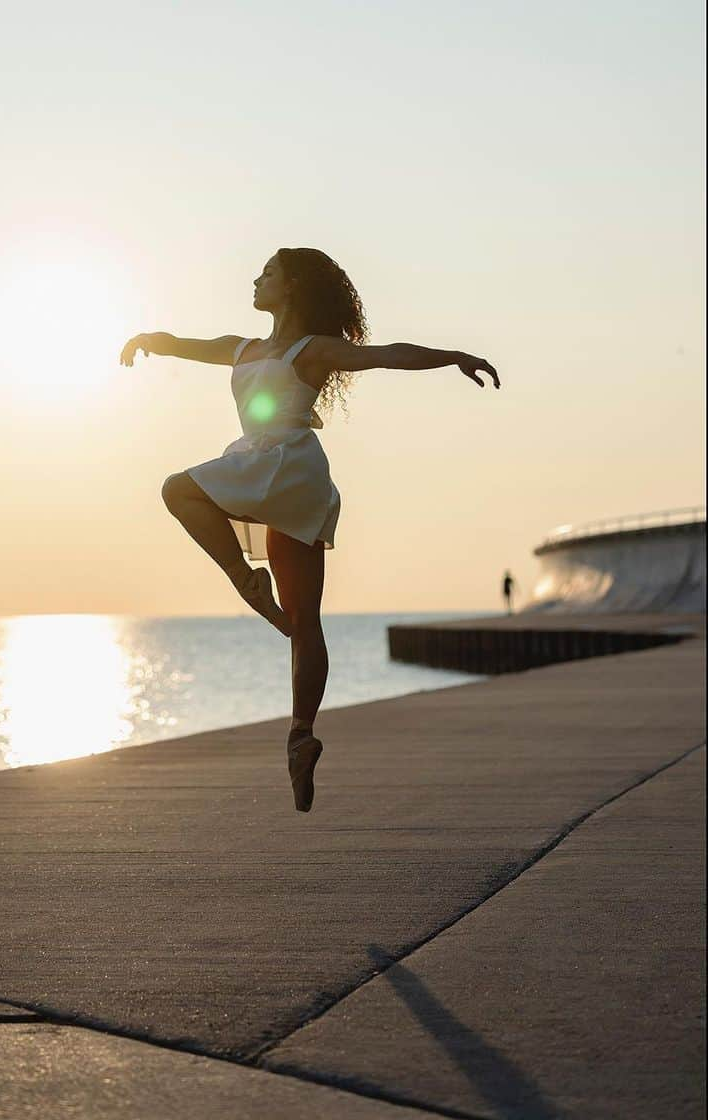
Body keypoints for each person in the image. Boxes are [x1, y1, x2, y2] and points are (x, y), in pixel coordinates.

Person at [119, 247, 500, 813]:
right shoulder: (241, 349)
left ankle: (246, 582)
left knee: (179, 488)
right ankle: (301, 734)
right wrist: (149, 339)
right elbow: (184, 344)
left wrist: (452, 357)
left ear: (292, 287)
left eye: (268, 272)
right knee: (304, 621)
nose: (256, 278)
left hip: (281, 464)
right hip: (286, 474)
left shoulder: (311, 350)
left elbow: (387, 355)